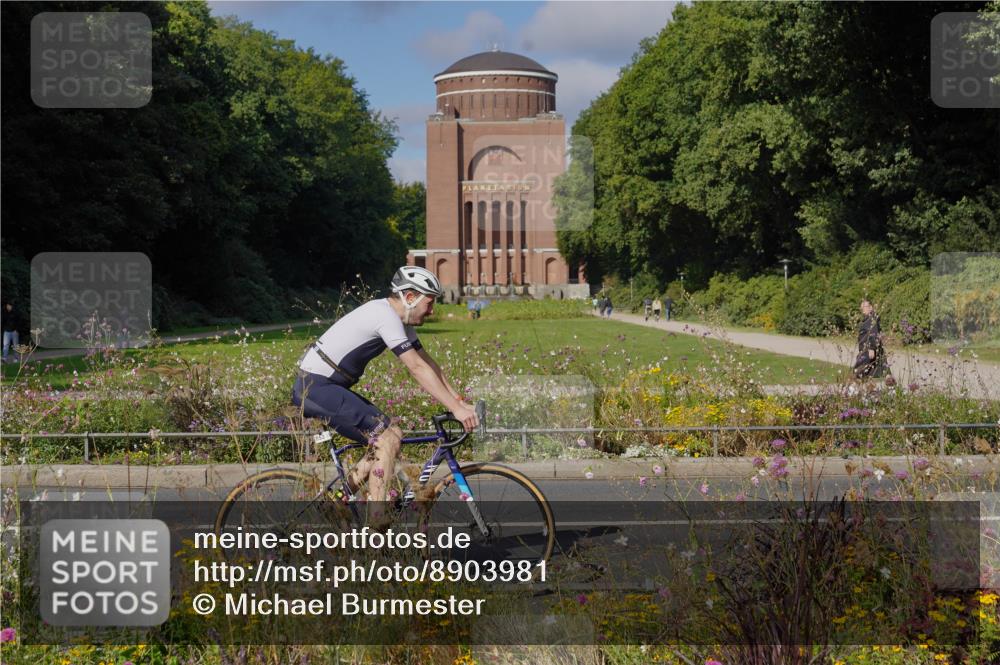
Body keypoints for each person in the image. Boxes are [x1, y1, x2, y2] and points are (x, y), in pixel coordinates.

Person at [292, 266, 479, 510]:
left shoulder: (399, 319)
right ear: (410, 298)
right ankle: (377, 523)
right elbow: (416, 368)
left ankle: (336, 503)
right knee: (386, 439)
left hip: (327, 386)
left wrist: (458, 401)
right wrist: (455, 409)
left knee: (392, 436)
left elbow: (428, 363)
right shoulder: (385, 316)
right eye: (430, 303)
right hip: (316, 387)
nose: (432, 311)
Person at [853, 299, 889, 380]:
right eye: (862, 307)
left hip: (868, 350)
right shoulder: (867, 319)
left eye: (865, 306)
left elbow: (874, 333)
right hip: (865, 350)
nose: (863, 309)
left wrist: (872, 348)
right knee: (866, 374)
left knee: (858, 373)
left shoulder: (871, 319)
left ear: (871, 307)